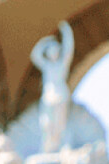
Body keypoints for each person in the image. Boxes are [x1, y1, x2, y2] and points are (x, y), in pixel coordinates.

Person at [30, 20, 75, 153]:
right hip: (48, 97)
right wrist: (45, 41)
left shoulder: (62, 65)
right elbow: (35, 55)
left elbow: (69, 48)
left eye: (55, 49)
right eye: (50, 50)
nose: (53, 52)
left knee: (60, 124)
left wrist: (66, 31)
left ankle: (64, 145)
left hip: (60, 96)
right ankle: (48, 147)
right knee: (46, 124)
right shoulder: (47, 66)